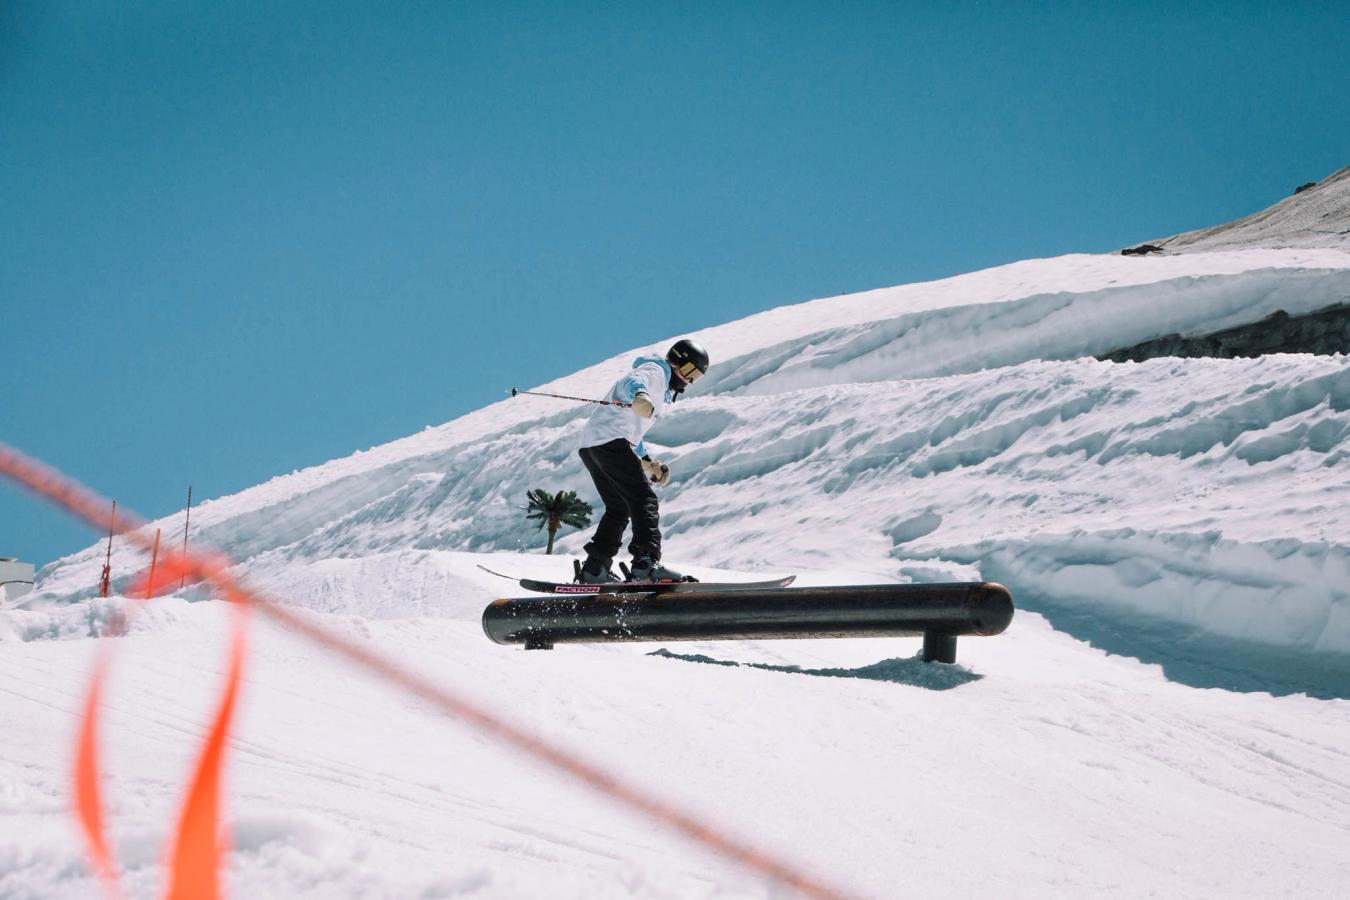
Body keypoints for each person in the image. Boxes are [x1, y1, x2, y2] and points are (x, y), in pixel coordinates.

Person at [575, 338, 710, 583]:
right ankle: (645, 564)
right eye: (690, 372)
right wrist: (639, 394)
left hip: (593, 445)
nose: (689, 381)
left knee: (619, 507)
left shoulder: (660, 387)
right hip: (610, 441)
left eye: (696, 377)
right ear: (677, 360)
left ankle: (595, 569)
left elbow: (632, 433)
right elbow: (634, 381)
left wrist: (647, 461)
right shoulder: (656, 370)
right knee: (644, 499)